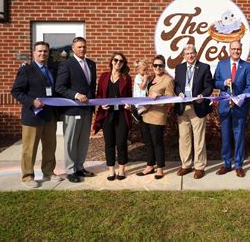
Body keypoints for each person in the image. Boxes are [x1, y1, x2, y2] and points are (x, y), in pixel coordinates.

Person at [11, 41, 61, 188]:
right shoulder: (26, 70)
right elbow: (16, 91)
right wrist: (32, 101)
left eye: (45, 51)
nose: (42, 54)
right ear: (34, 53)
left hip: (50, 116)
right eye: (39, 51)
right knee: (29, 149)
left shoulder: (52, 69)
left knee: (50, 148)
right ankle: (27, 176)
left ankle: (49, 172)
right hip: (33, 116)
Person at [55, 37, 97, 183]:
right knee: (71, 141)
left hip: (87, 110)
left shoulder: (91, 64)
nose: (82, 49)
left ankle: (80, 167)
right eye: (79, 47)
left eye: (84, 47)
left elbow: (91, 87)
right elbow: (59, 87)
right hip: (72, 110)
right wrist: (76, 95)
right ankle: (71, 170)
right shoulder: (66, 64)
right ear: (73, 49)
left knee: (84, 141)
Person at [214, 40, 250, 177]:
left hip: (239, 107)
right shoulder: (221, 64)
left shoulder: (247, 66)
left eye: (238, 49)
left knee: (239, 137)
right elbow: (215, 82)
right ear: (229, 50)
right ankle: (226, 164)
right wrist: (223, 83)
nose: (236, 51)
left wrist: (240, 98)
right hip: (225, 106)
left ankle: (238, 165)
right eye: (233, 49)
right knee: (225, 137)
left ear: (241, 50)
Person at [174, 44, 213, 179]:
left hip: (198, 106)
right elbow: (177, 85)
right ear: (183, 55)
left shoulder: (204, 67)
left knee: (199, 138)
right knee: (184, 138)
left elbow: (209, 86)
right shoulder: (179, 68)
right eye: (187, 53)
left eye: (192, 53)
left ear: (196, 54)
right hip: (183, 107)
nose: (190, 55)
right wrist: (179, 92)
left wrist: (203, 95)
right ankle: (186, 165)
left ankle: (199, 167)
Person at [93, 52, 132, 181]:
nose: (118, 63)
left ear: (123, 64)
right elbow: (99, 94)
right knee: (109, 143)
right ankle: (111, 170)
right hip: (107, 114)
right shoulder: (104, 76)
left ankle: (121, 170)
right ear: (111, 61)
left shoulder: (126, 78)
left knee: (121, 143)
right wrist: (101, 104)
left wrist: (128, 104)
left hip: (121, 114)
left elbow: (129, 96)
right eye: (116, 60)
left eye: (121, 61)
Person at [136, 55, 175, 180]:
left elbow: (170, 97)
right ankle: (149, 166)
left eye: (160, 65)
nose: (158, 67)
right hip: (145, 114)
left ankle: (160, 168)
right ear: (152, 67)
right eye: (155, 65)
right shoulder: (150, 79)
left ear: (164, 66)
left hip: (158, 115)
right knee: (148, 143)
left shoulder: (168, 80)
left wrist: (159, 95)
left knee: (157, 143)